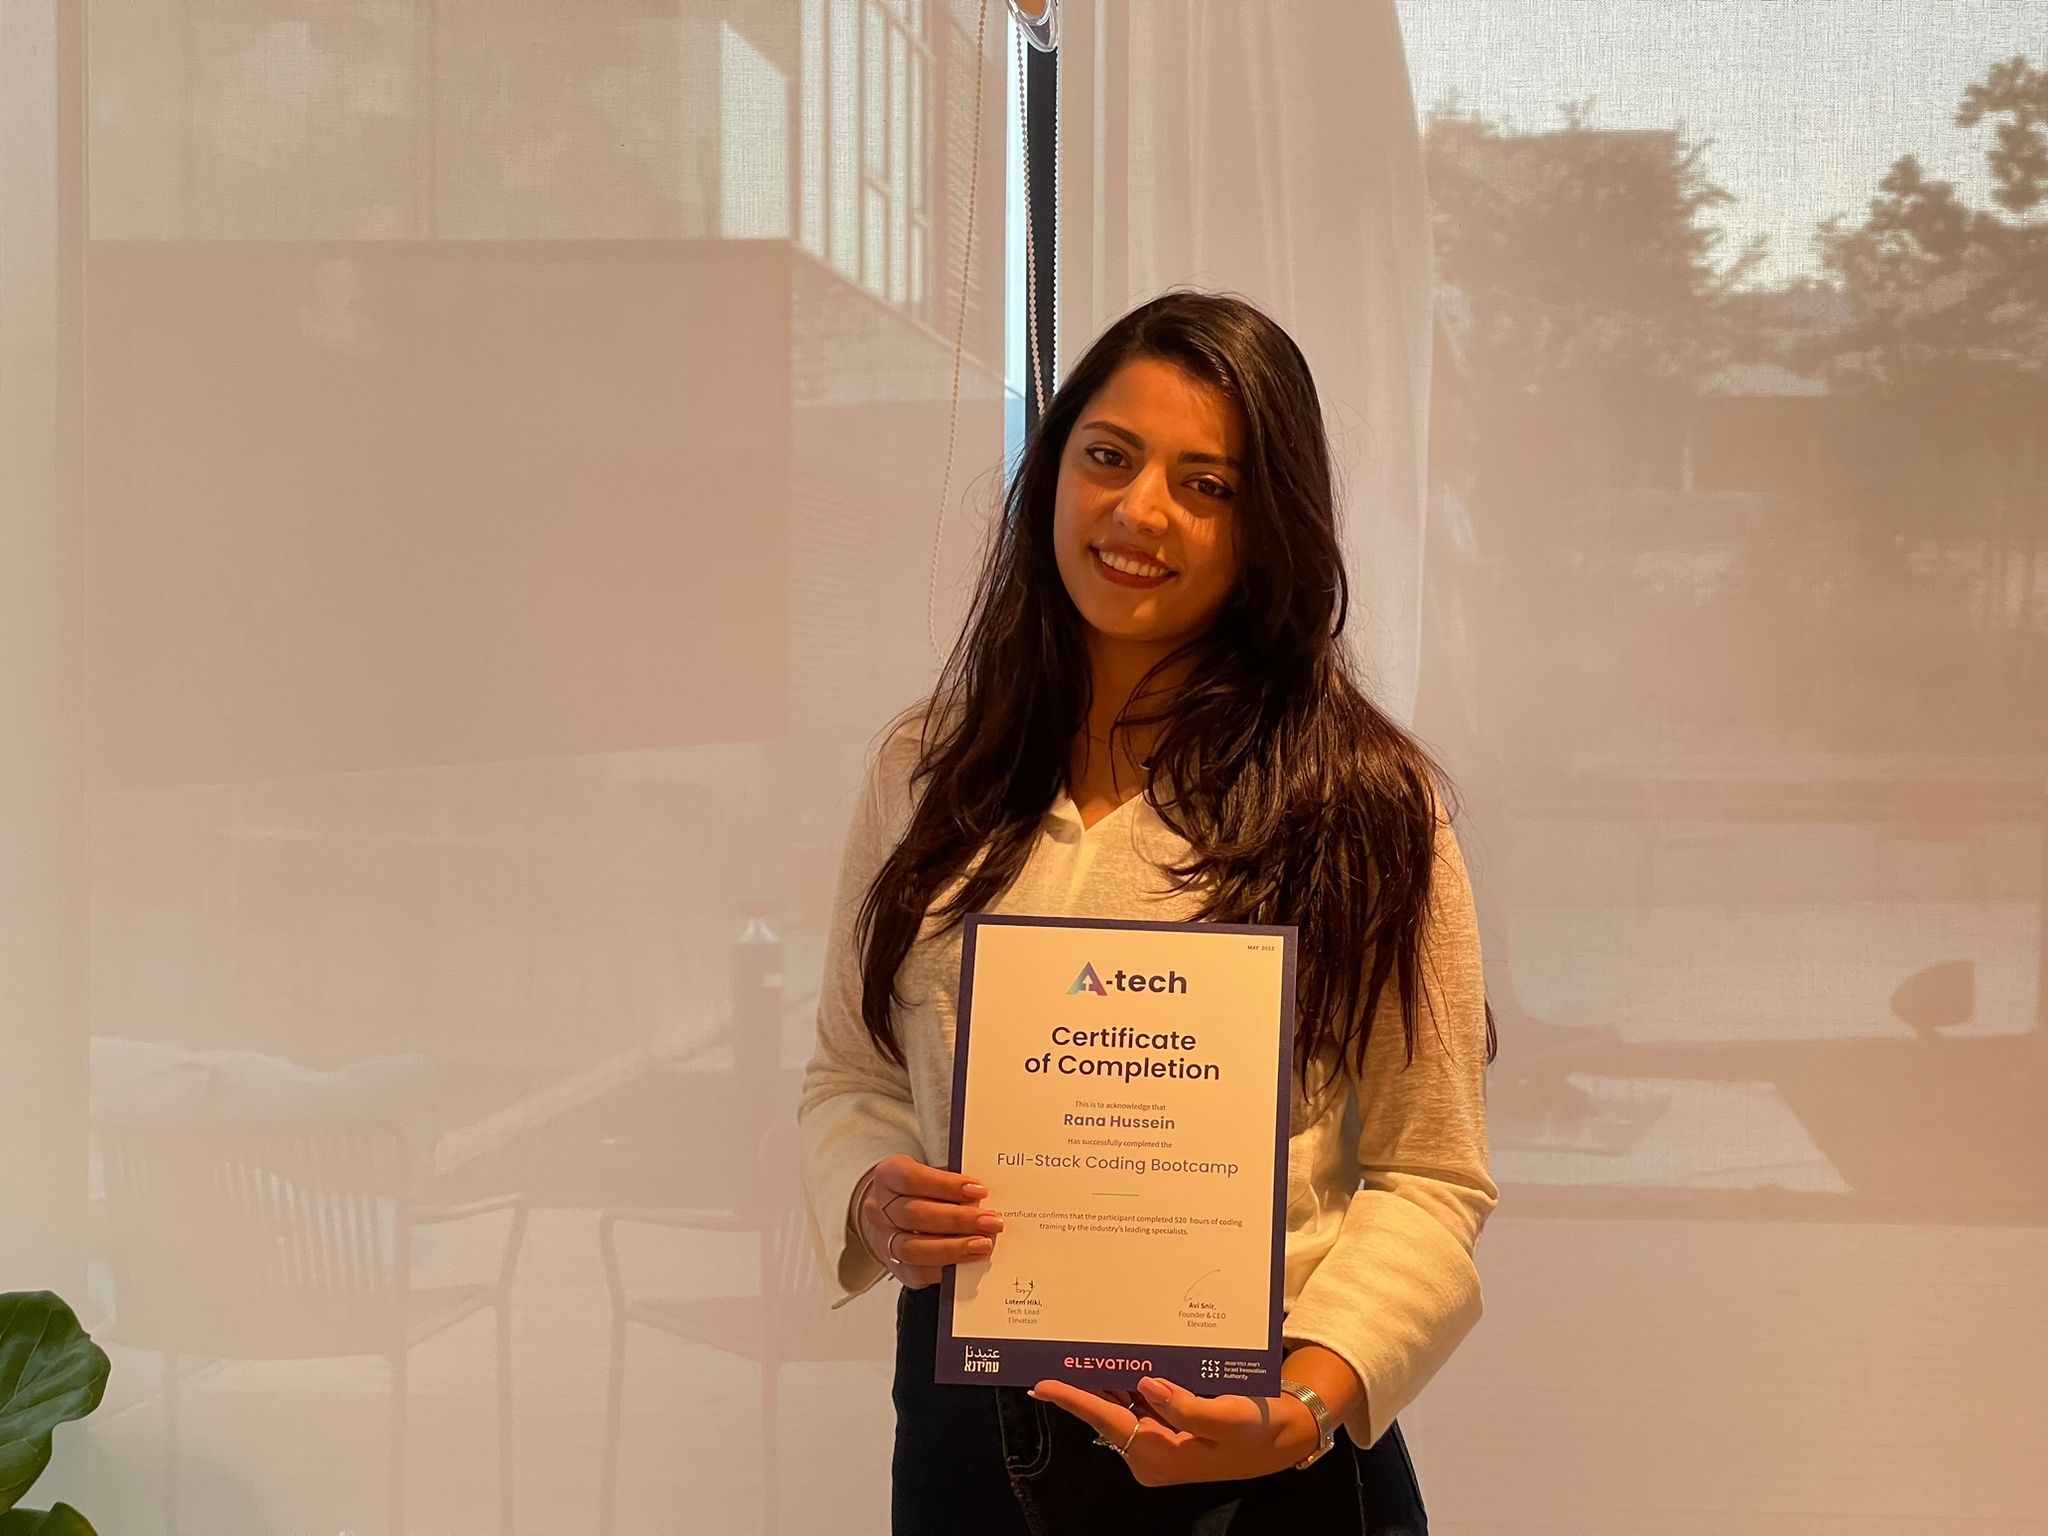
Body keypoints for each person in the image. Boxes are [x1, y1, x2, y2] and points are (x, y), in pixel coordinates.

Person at [797, 291, 1497, 1535]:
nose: (1137, 511)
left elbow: (1428, 1175)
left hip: (1264, 1444)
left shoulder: (1365, 803)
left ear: (1267, 525)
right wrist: (871, 1192)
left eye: (1205, 484)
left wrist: (1300, 1407)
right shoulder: (927, 769)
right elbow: (849, 1077)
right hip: (969, 1436)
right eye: (1108, 457)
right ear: (1052, 473)